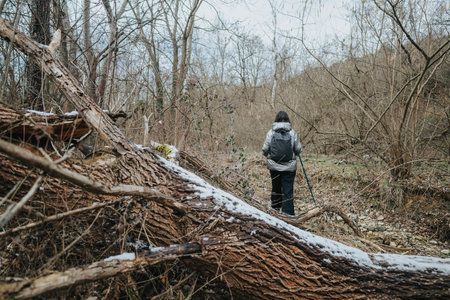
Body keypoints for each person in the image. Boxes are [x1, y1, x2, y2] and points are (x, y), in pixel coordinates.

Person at [262, 111, 302, 216]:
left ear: (276, 120)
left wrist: (270, 157)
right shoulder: (292, 133)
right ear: (288, 120)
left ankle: (275, 211)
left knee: (276, 188)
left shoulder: (270, 133)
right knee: (287, 191)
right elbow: (298, 149)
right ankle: (288, 214)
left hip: (274, 167)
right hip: (289, 168)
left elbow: (265, 149)